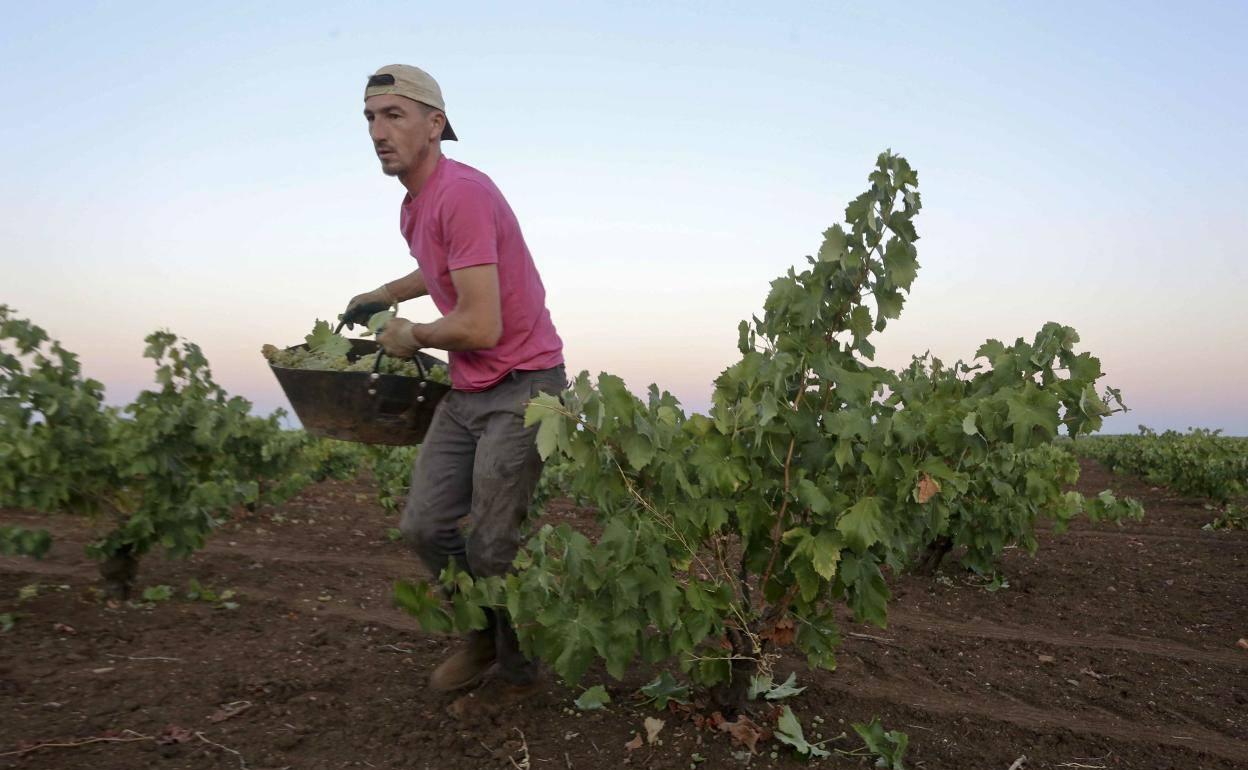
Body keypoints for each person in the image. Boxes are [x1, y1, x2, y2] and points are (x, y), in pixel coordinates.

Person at [342, 64, 566, 713]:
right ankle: (481, 634)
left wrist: (409, 334)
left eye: (395, 115)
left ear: (434, 124)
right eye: (370, 119)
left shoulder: (463, 191)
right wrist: (384, 294)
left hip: (525, 386)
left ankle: (518, 674)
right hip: (468, 389)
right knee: (423, 527)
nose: (379, 131)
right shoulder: (418, 204)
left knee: (493, 546)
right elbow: (438, 262)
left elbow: (481, 322)